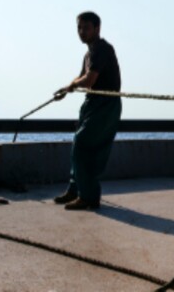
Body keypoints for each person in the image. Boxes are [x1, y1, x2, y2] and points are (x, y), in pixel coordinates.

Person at [52, 11, 122, 210]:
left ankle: (89, 196)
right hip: (92, 102)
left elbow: (89, 80)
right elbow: (81, 76)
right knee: (78, 143)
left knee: (84, 145)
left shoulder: (102, 49)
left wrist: (72, 87)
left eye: (86, 28)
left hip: (105, 104)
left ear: (97, 28)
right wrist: (67, 88)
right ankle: (75, 190)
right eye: (79, 28)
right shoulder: (89, 53)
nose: (81, 32)